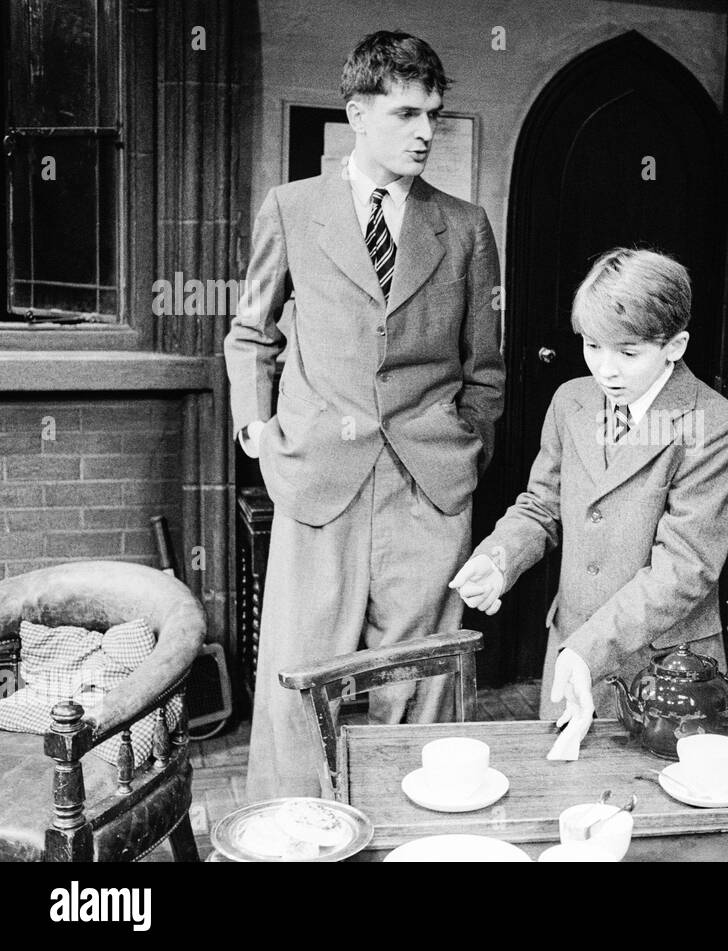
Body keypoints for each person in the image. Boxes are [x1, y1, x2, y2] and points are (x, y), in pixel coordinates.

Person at [225, 31, 504, 799]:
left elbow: (486, 369)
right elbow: (250, 330)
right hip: (320, 483)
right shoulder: (291, 208)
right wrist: (258, 431)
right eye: (408, 113)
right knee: (301, 677)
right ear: (357, 112)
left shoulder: (466, 226)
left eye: (435, 116)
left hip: (429, 487)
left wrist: (465, 450)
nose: (425, 132)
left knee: (420, 685)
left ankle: (409, 833)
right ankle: (292, 835)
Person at [450, 249, 728, 756]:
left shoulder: (715, 425)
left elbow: (685, 567)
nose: (606, 370)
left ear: (675, 345)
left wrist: (588, 649)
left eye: (628, 353)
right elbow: (541, 504)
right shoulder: (572, 400)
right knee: (566, 802)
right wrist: (499, 559)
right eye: (592, 346)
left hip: (666, 672)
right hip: (570, 646)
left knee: (655, 816)